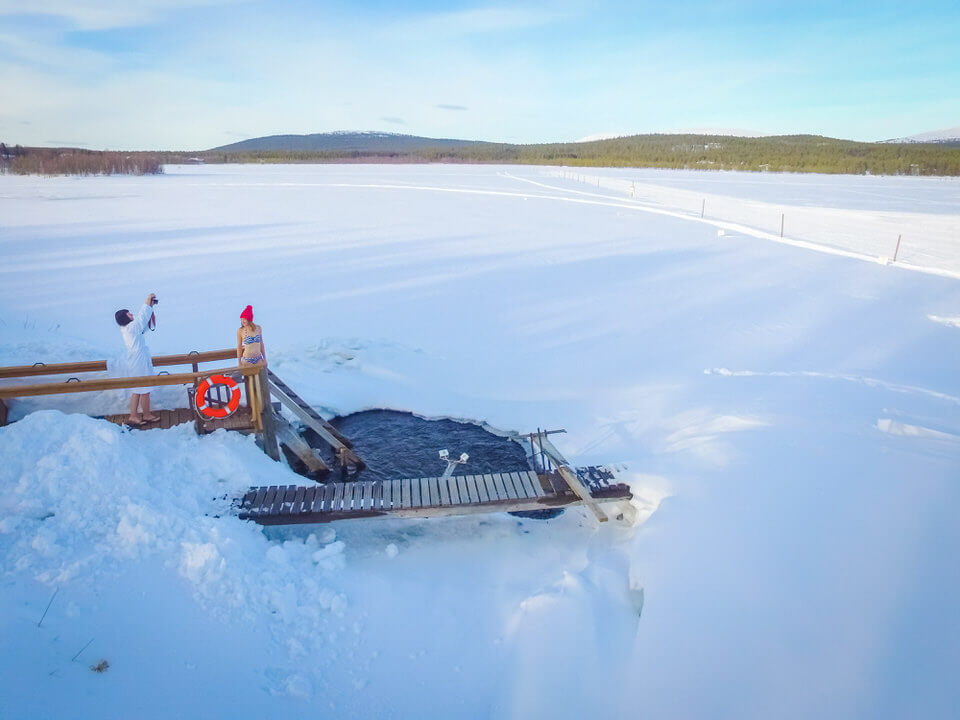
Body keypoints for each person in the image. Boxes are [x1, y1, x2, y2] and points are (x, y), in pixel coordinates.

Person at [115, 292, 160, 426]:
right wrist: (147, 302)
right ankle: (146, 415)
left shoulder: (129, 329)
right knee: (144, 390)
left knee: (137, 390)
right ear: (125, 317)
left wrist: (150, 307)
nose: (132, 315)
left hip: (136, 362)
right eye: (129, 314)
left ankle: (134, 416)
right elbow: (141, 319)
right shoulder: (131, 328)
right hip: (139, 363)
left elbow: (142, 326)